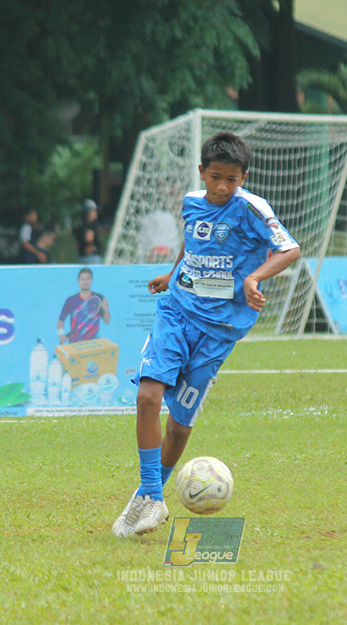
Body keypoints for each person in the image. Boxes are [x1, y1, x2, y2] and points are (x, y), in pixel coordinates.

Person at [112, 131, 301, 538]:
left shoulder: (253, 209)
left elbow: (290, 250)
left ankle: (151, 492)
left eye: (231, 180)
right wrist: (173, 273)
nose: (222, 187)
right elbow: (191, 243)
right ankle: (149, 497)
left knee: (179, 427)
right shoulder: (192, 203)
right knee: (147, 396)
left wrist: (254, 277)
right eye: (215, 177)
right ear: (202, 172)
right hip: (176, 314)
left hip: (218, 332)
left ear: (243, 178)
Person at [57, 267, 110, 343]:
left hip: (93, 345)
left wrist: (106, 307)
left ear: (91, 281)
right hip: (74, 344)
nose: (85, 282)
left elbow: (107, 320)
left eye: (88, 279)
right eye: (82, 279)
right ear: (78, 281)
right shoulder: (70, 300)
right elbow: (60, 321)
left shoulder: (99, 298)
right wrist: (62, 335)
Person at [74, 200, 105, 264]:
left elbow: (77, 244)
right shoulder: (89, 226)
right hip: (91, 258)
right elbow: (89, 238)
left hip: (81, 257)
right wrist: (91, 247)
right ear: (88, 213)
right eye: (94, 211)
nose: (96, 213)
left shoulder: (80, 226)